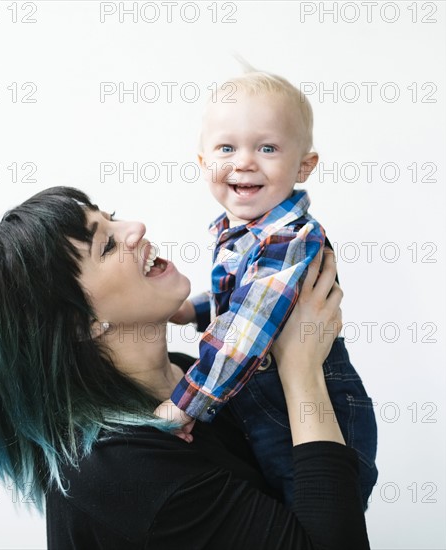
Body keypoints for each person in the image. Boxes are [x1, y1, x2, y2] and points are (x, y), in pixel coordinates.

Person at [0, 186, 370, 549]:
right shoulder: (119, 470)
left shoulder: (192, 373)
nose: (135, 227)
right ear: (78, 324)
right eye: (106, 245)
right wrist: (300, 372)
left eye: (113, 217)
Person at [156, 68, 378, 508]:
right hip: (264, 403)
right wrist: (195, 310)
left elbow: (246, 331)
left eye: (267, 147)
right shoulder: (244, 232)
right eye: (226, 147)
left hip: (318, 409)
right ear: (203, 163)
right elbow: (245, 298)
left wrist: (186, 404)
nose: (244, 162)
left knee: (314, 514)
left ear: (304, 166)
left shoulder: (289, 237)